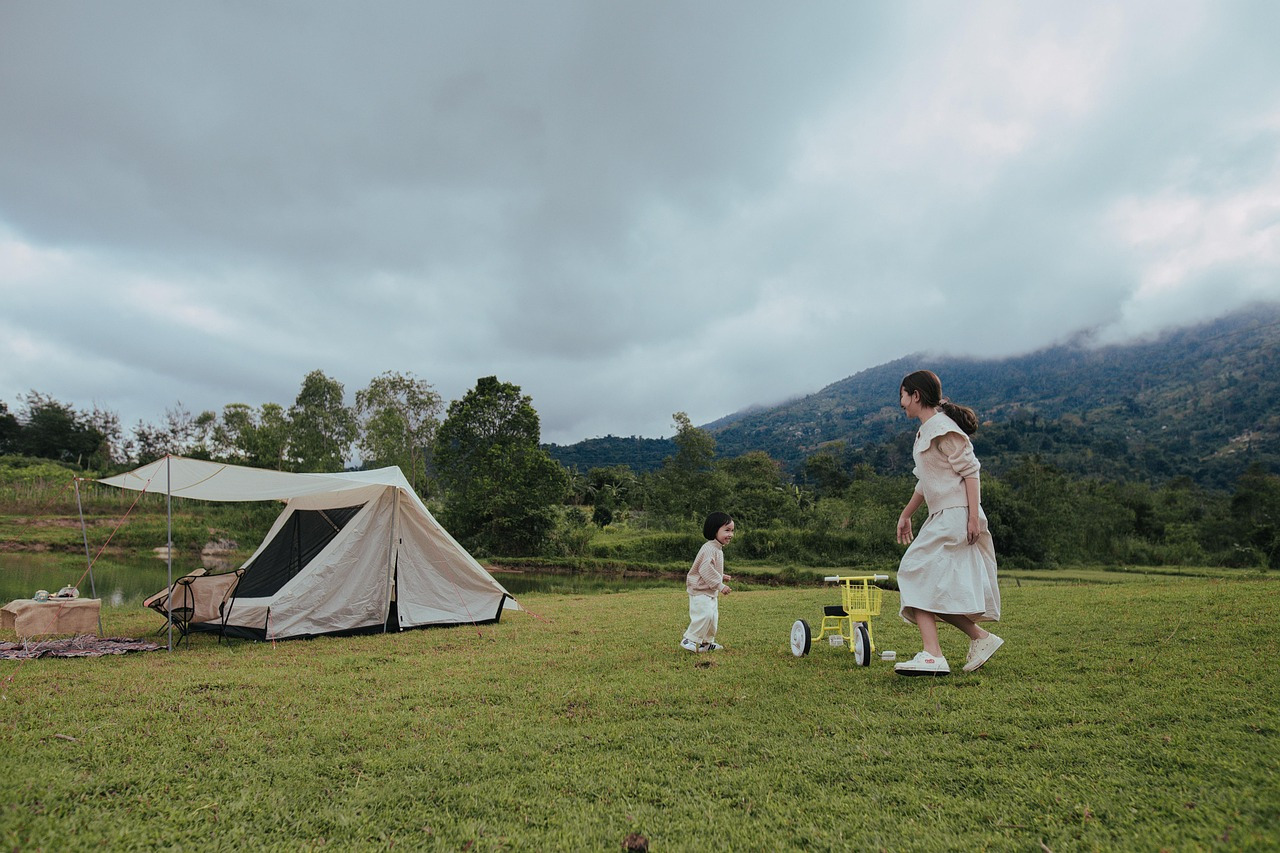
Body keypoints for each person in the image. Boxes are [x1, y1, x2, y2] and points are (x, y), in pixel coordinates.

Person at [892, 370, 1002, 676]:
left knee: (913, 571)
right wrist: (906, 514)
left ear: (915, 395)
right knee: (930, 585)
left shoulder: (943, 428)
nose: (901, 403)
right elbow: (925, 482)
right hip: (941, 515)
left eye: (903, 395)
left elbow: (971, 472)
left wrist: (972, 517)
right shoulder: (926, 431)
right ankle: (980, 638)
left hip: (955, 515)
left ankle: (933, 655)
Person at [680, 511, 734, 653]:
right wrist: (720, 585)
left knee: (712, 618)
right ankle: (689, 639)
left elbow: (710, 568)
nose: (731, 534)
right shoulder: (709, 548)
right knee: (704, 615)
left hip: (709, 590)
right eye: (727, 530)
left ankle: (706, 643)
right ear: (714, 530)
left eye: (732, 531)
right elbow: (705, 569)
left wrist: (721, 576)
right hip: (700, 590)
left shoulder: (717, 548)